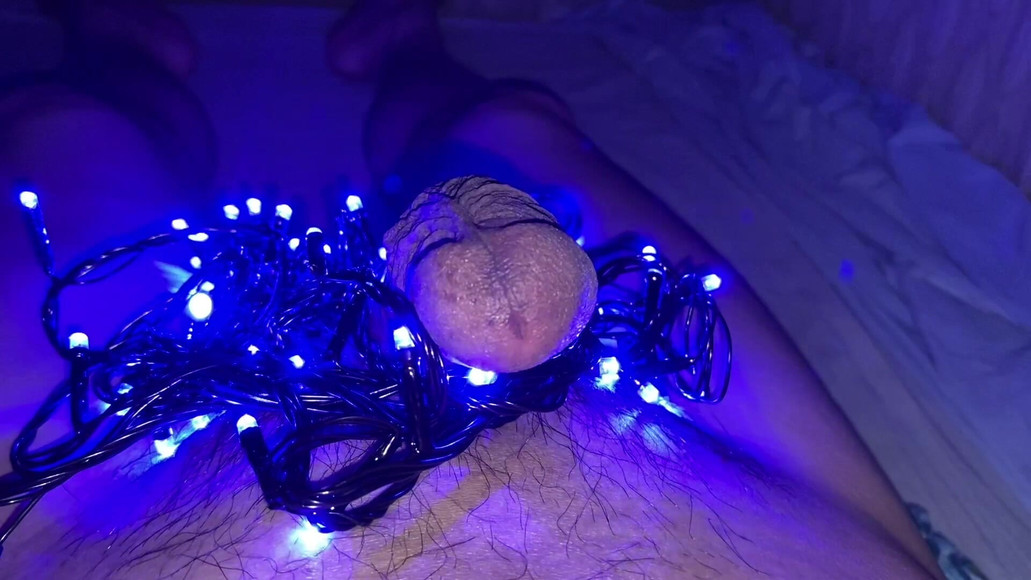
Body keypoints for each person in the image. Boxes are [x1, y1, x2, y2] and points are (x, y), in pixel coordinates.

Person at [0, 1, 940, 577]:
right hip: (782, 498)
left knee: (69, 134)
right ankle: (411, 47)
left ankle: (113, 46)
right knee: (514, 129)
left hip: (89, 476)